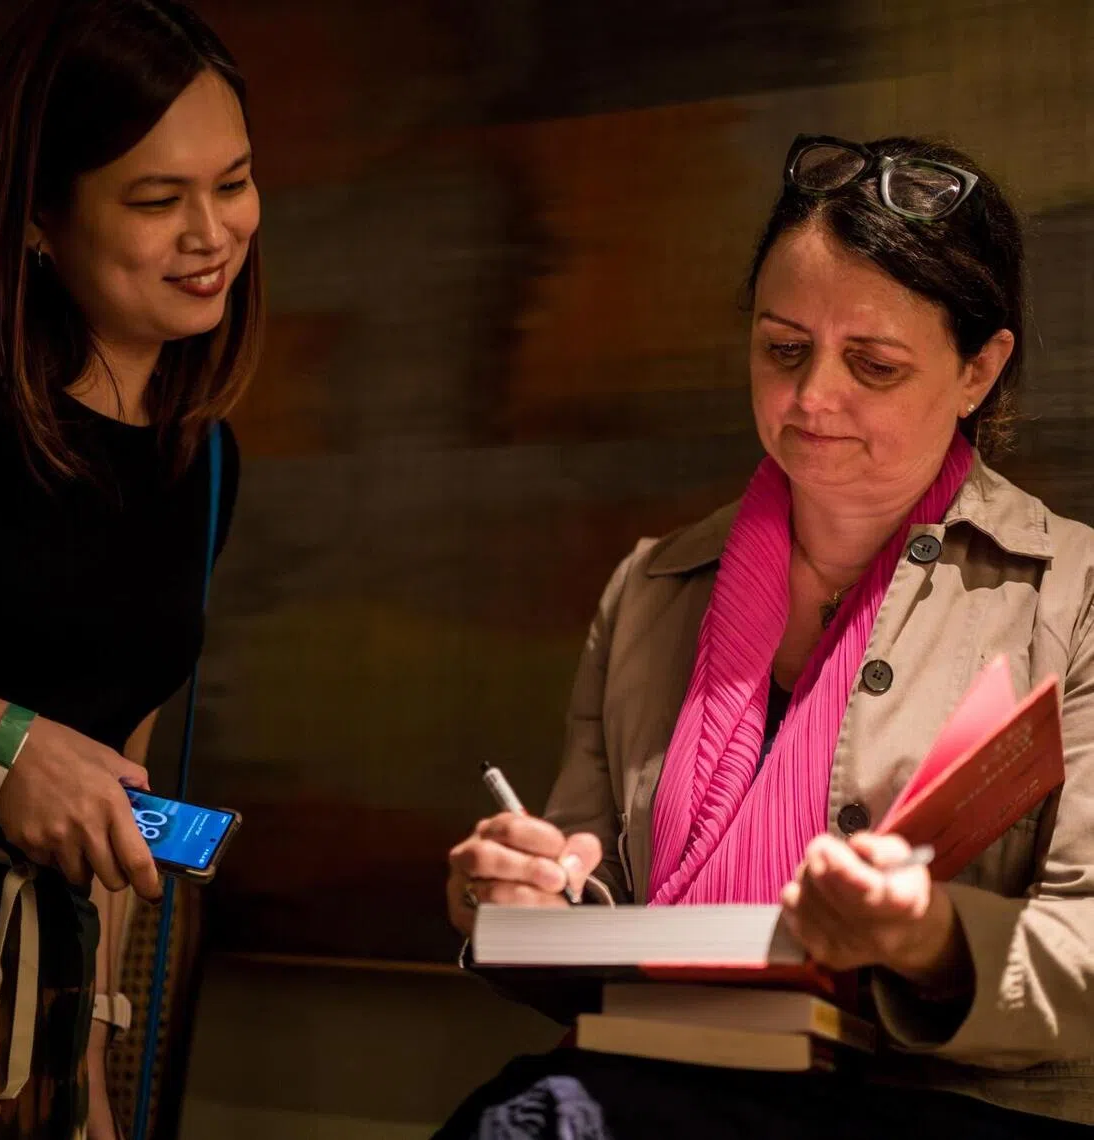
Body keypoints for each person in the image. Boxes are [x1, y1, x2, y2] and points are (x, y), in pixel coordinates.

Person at [441, 134, 1094, 1138]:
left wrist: (930, 939)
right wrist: (517, 901)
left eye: (874, 365)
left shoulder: (1074, 596)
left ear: (979, 368)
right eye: (784, 349)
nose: (812, 397)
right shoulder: (651, 588)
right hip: (659, 1079)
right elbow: (590, 904)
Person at [0, 1, 261, 1136]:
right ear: (41, 213)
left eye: (234, 183)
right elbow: (46, 754)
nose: (212, 234)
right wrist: (0, 742)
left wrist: (87, 1052)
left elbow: (117, 778)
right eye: (156, 199)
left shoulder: (202, 457)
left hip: (22, 1022)